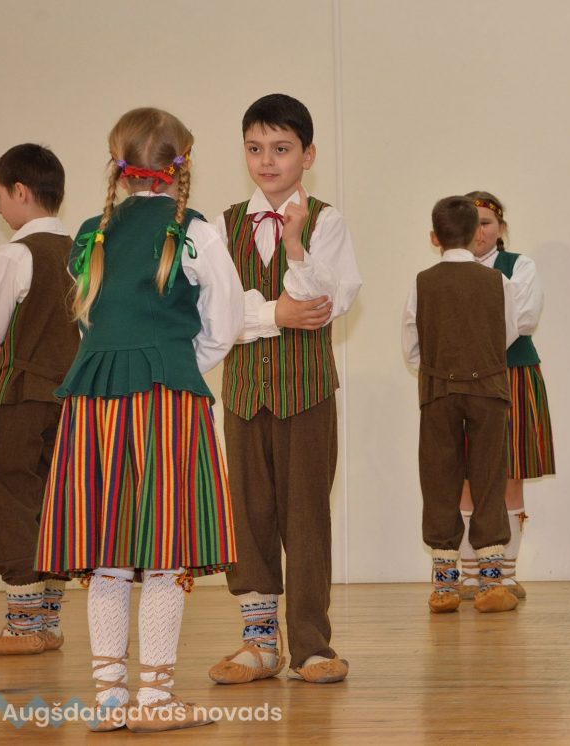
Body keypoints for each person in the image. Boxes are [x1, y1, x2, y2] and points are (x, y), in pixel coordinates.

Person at [35, 108, 244, 732]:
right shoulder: (197, 233)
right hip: (166, 401)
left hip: (93, 401)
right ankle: (155, 698)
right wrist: (176, 359)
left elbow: (86, 320)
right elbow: (226, 324)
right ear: (181, 166)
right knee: (164, 549)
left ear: (118, 167)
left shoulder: (90, 235)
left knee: (106, 551)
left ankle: (108, 700)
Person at [207, 93, 361, 687]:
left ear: (308, 155)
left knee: (306, 518)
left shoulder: (327, 221)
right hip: (244, 395)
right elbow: (213, 318)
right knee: (248, 515)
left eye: (281, 148)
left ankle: (312, 645)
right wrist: (275, 313)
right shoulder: (221, 227)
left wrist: (296, 248)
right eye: (255, 148)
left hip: (308, 394)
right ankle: (259, 643)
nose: (267, 161)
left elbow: (323, 305)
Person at [0, 144, 78, 656]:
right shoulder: (80, 250)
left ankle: (23, 626)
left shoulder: (15, 253)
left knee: (5, 494)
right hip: (67, 397)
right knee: (52, 499)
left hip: (19, 394)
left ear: (21, 191)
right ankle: (47, 621)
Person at [402, 196, 519, 615]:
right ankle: (491, 582)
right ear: (475, 236)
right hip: (488, 388)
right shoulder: (498, 281)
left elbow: (411, 343)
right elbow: (508, 333)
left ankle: (444, 585)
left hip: (438, 391)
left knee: (439, 478)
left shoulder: (422, 282)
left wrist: (438, 368)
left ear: (434, 237)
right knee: (489, 476)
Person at [454, 190, 555, 600]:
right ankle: (470, 574)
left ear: (501, 228)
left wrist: (472, 343)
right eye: (471, 223)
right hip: (461, 380)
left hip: (512, 374)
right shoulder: (446, 272)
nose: (479, 232)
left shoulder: (519, 265)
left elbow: (522, 319)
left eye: (486, 223)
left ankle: (505, 574)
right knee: (464, 474)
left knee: (512, 472)